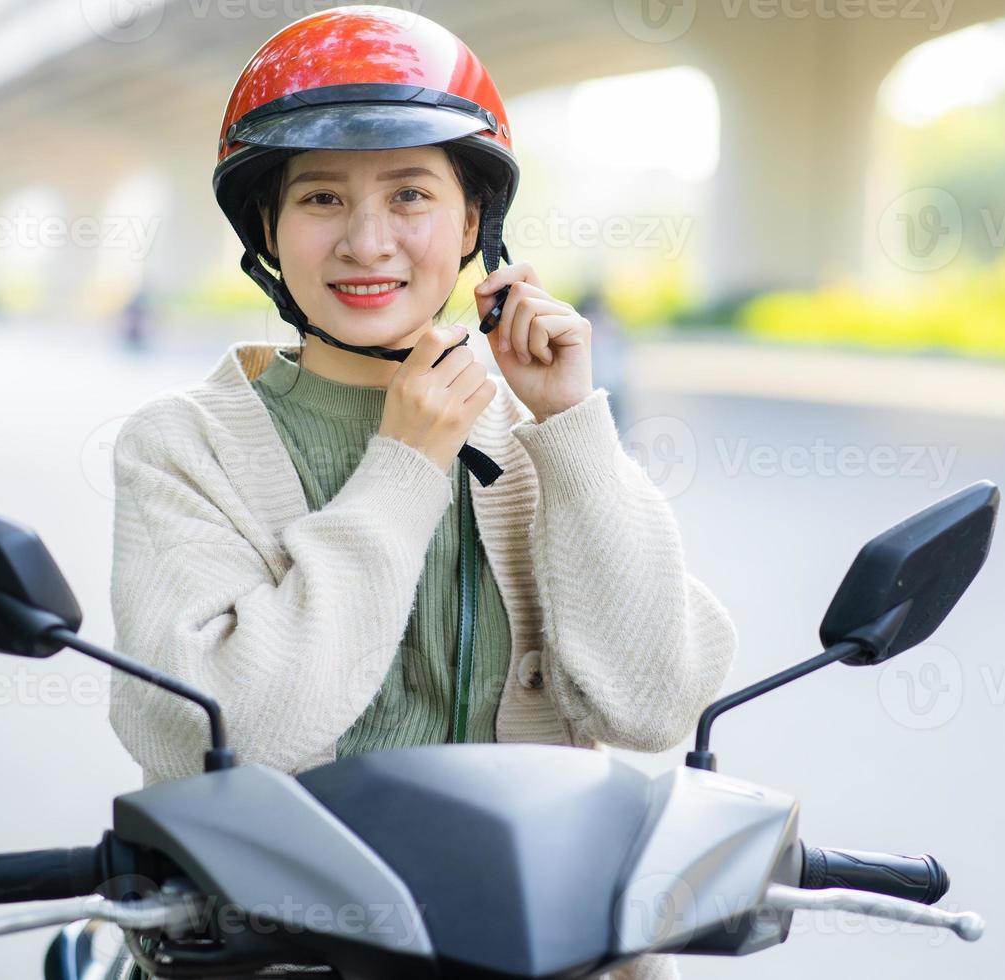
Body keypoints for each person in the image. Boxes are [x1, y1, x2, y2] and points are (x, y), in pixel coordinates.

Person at [106, 9, 737, 979]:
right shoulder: (180, 445)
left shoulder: (531, 433)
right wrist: (401, 469)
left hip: (549, 945)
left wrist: (569, 428)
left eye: (410, 194)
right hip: (283, 950)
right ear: (265, 227)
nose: (367, 241)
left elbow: (654, 701)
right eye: (320, 198)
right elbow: (213, 734)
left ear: (472, 222)